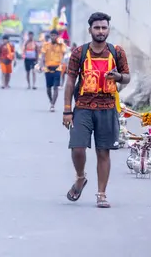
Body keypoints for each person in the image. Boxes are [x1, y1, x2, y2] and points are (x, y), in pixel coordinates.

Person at [62, 12, 130, 208]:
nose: (101, 31)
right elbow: (69, 81)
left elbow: (127, 77)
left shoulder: (117, 52)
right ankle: (81, 177)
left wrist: (117, 76)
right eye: (97, 28)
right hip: (83, 107)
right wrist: (67, 110)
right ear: (90, 30)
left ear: (108, 30)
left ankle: (101, 194)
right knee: (77, 148)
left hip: (107, 108)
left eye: (104, 28)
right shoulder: (79, 53)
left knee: (103, 152)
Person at [37, 29, 67, 112]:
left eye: (55, 35)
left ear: (57, 36)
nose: (53, 37)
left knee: (55, 87)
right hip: (48, 69)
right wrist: (40, 65)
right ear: (50, 36)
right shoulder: (46, 45)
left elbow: (65, 52)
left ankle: (53, 105)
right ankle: (51, 101)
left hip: (57, 68)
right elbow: (42, 56)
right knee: (48, 89)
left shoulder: (61, 45)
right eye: (52, 35)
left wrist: (61, 43)